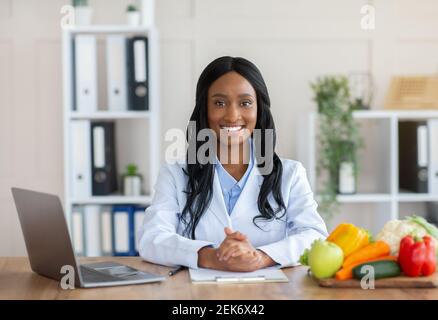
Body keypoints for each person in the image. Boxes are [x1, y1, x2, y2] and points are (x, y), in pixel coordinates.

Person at [137, 56, 328, 272]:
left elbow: (315, 236)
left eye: (245, 103)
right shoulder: (175, 174)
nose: (232, 115)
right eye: (219, 103)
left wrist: (260, 257)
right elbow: (152, 239)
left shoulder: (290, 174)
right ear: (204, 110)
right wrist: (211, 256)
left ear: (259, 110)